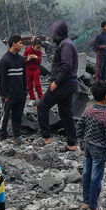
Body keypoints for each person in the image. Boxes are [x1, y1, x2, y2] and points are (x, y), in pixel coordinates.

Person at [37, 20, 79, 151]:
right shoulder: (66, 43)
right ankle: (72, 144)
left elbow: (66, 66)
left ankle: (46, 137)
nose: (52, 36)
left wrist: (56, 82)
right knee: (65, 113)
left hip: (64, 83)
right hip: (70, 83)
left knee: (42, 106)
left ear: (59, 33)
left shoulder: (66, 45)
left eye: (53, 34)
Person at [78, 81, 106, 210]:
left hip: (88, 146)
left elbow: (80, 126)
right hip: (99, 149)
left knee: (86, 174)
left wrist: (81, 141)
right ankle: (93, 207)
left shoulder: (88, 110)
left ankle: (86, 201)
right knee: (96, 177)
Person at [0, 35, 27, 143]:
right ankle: (3, 136)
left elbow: (24, 76)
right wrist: (4, 95)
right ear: (13, 44)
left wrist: (25, 91)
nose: (22, 45)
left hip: (20, 94)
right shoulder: (4, 60)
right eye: (20, 43)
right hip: (9, 96)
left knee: (17, 116)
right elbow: (2, 80)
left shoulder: (21, 59)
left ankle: (17, 135)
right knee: (5, 116)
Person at [23, 38, 43, 105]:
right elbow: (23, 61)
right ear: (33, 45)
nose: (38, 49)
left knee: (37, 84)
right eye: (37, 47)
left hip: (36, 69)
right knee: (29, 85)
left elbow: (39, 63)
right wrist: (27, 59)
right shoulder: (28, 50)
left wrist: (36, 58)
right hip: (28, 69)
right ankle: (32, 98)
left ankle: (41, 97)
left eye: (39, 48)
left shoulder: (39, 52)